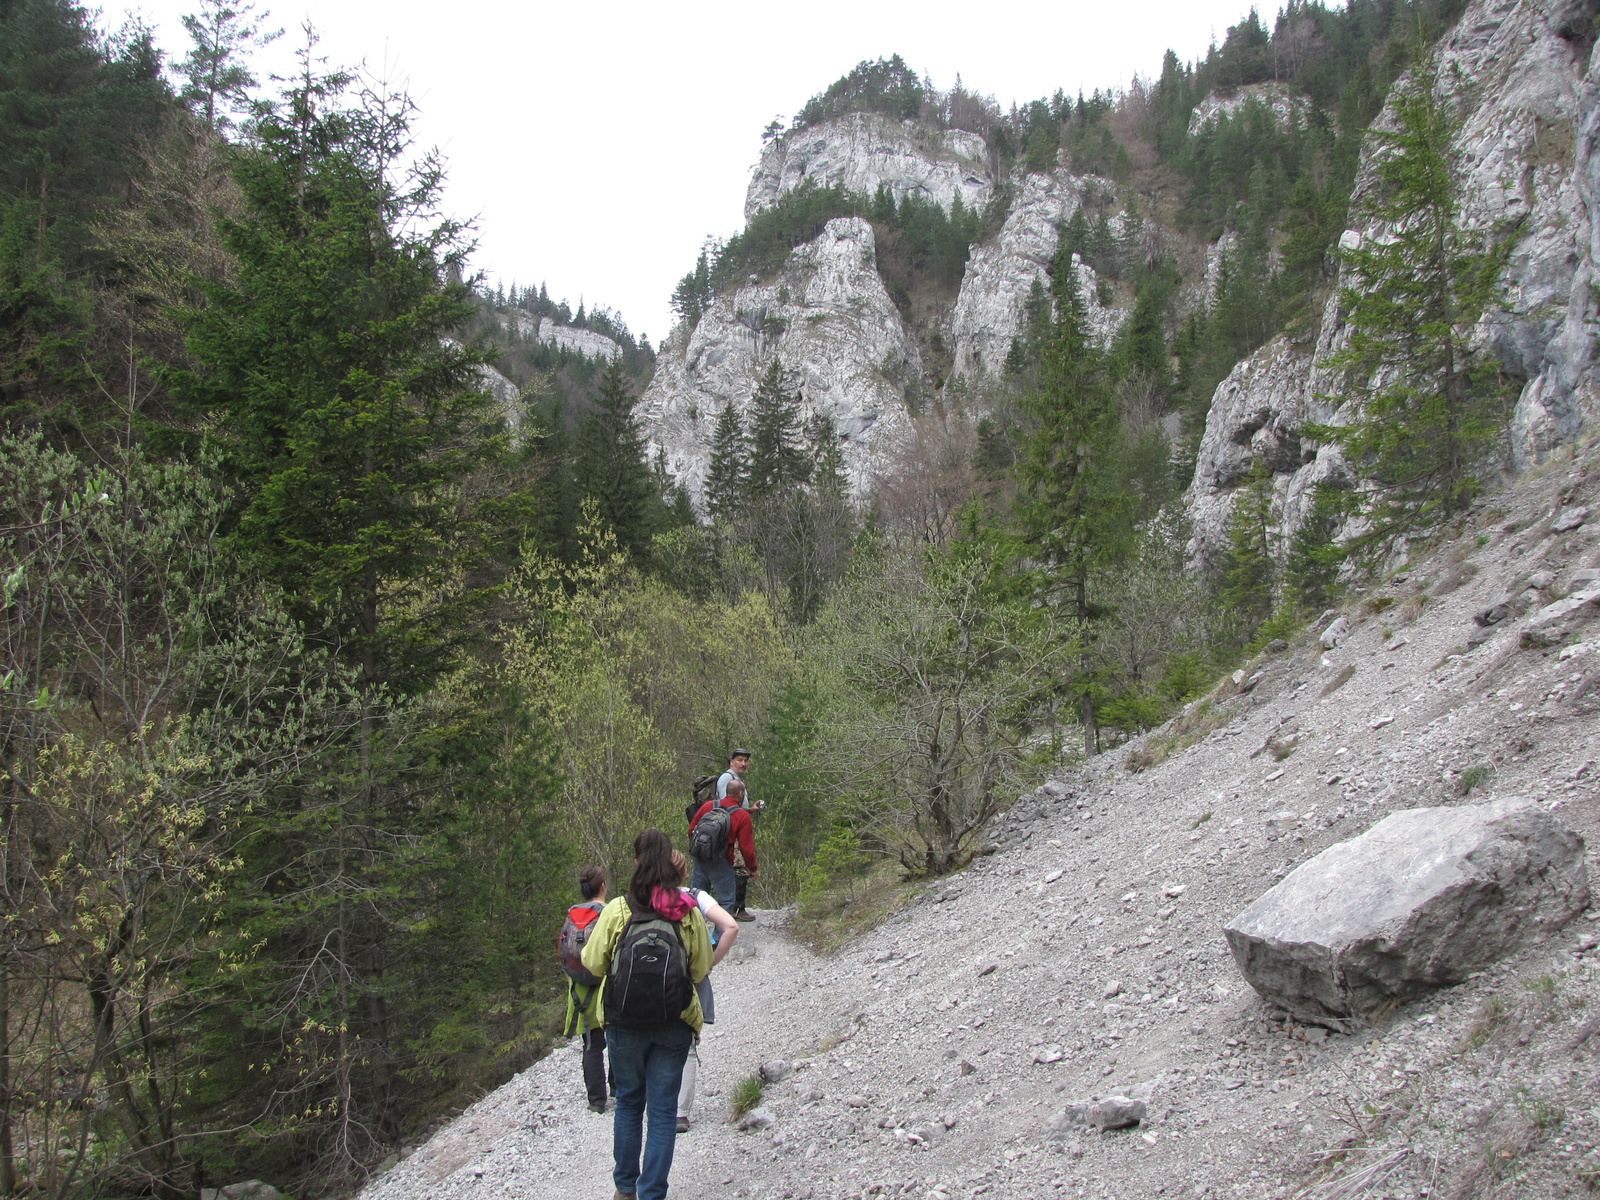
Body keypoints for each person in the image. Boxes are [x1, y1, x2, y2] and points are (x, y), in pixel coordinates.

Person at [581, 828, 712, 1200]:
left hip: (624, 1022)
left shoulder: (619, 908)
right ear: (671, 861)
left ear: (637, 861)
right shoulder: (685, 910)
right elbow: (700, 969)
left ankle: (625, 1188)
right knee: (662, 1112)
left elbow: (592, 963)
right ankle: (652, 1191)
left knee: (628, 1104)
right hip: (674, 1022)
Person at [670, 849, 738, 1135]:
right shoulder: (695, 896)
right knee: (686, 1046)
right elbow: (730, 927)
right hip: (689, 982)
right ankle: (680, 1113)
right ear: (684, 872)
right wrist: (708, 963)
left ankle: (653, 1104)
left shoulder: (640, 899)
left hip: (648, 986)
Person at [562, 865, 611, 1113]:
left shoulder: (572, 915)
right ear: (603, 887)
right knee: (615, 1039)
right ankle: (619, 1090)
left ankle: (596, 1101)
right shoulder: (610, 912)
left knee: (591, 1045)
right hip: (606, 986)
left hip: (580, 989)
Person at [688, 778, 758, 916]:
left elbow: (691, 830)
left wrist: (701, 848)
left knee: (695, 899)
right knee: (726, 901)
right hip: (722, 859)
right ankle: (719, 937)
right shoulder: (742, 815)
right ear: (741, 794)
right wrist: (753, 869)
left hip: (700, 857)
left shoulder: (708, 806)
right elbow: (746, 848)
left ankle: (694, 935)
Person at [717, 749, 762, 921]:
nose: (743, 764)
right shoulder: (727, 779)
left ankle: (734, 907)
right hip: (731, 831)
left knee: (737, 868)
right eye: (739, 760)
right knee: (739, 868)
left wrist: (750, 810)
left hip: (736, 827)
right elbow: (726, 805)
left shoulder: (736, 779)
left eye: (745, 761)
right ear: (731, 762)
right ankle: (736, 908)